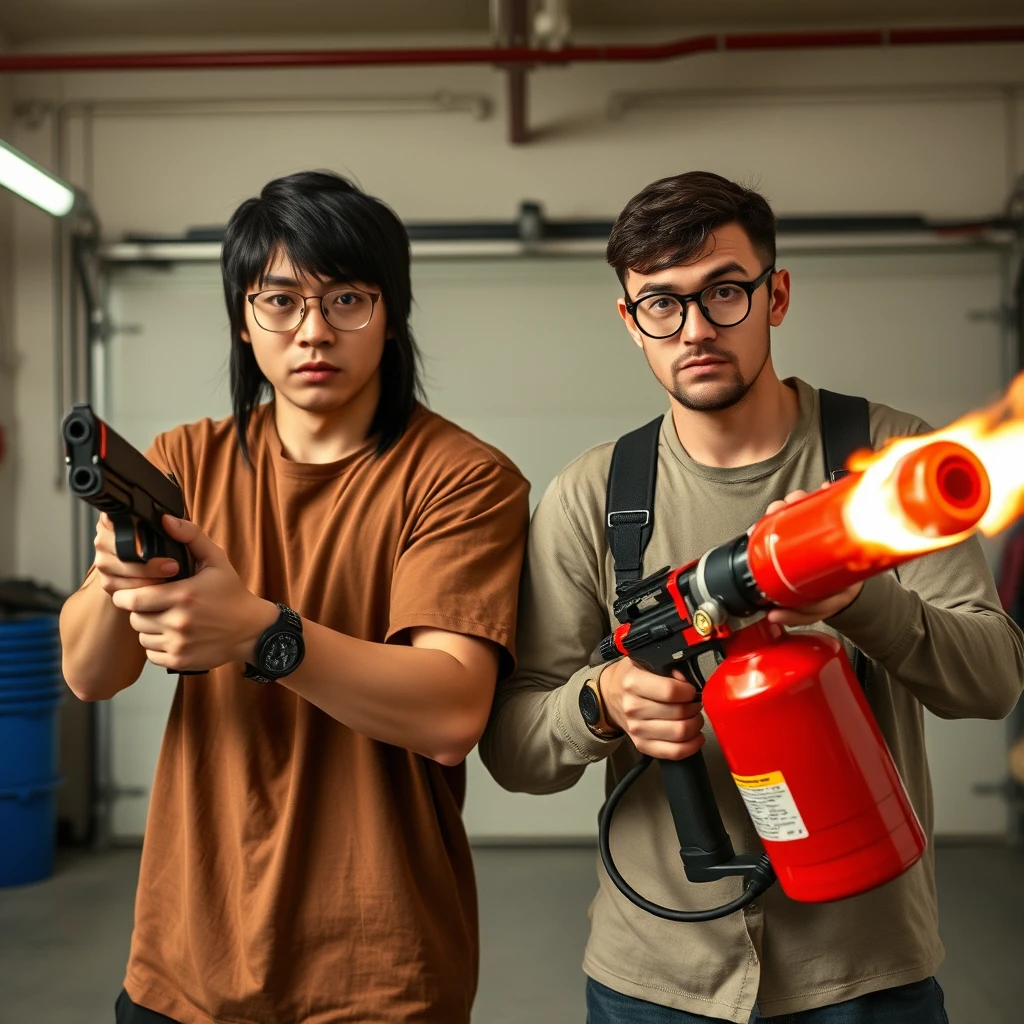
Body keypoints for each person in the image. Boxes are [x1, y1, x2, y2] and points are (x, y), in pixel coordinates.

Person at [480, 170, 1024, 1023]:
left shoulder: (886, 463)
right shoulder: (594, 496)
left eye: (724, 292)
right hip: (655, 984)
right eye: (661, 303)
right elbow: (514, 748)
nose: (694, 328)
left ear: (776, 295)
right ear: (631, 322)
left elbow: (993, 683)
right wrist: (603, 701)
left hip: (867, 973)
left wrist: (851, 597)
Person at [59, 170, 530, 1024]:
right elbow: (90, 675)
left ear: (390, 316)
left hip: (376, 974)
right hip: (181, 962)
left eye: (347, 299)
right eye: (280, 301)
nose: (314, 331)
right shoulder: (183, 464)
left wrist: (260, 631)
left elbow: (452, 710)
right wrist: (124, 571)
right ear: (244, 319)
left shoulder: (462, 479)